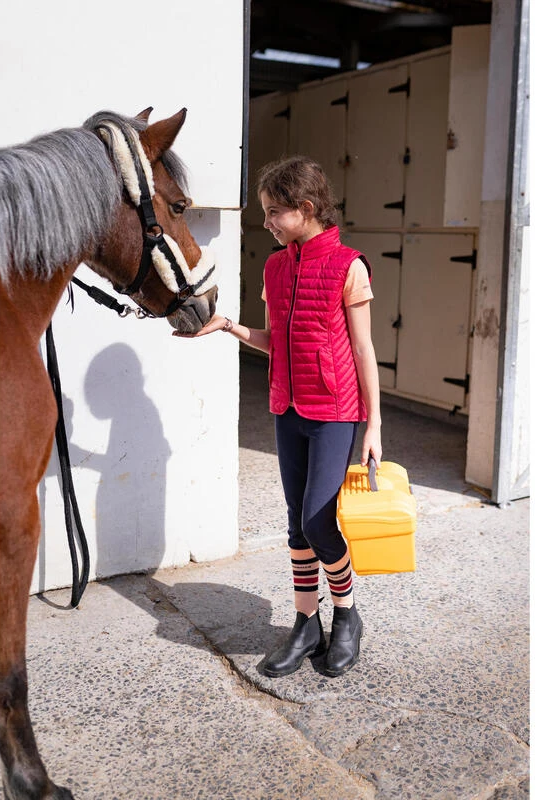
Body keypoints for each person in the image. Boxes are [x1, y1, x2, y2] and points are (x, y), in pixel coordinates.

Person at [174, 155, 382, 678]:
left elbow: (363, 349)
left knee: (318, 519)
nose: (265, 222)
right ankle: (306, 624)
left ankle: (347, 615)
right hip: (287, 406)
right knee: (296, 523)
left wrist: (374, 426)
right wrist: (228, 325)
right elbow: (276, 341)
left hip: (335, 410)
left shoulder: (349, 266)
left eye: (273, 212)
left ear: (305, 208)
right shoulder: (275, 266)